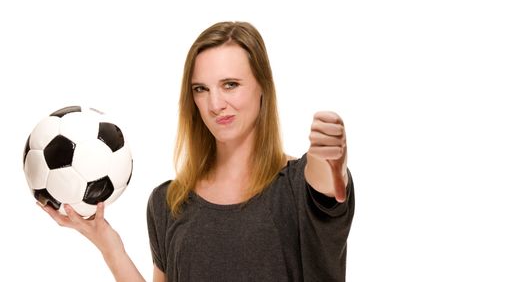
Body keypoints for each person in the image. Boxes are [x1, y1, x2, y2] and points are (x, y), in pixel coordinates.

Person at [41, 21, 355, 281]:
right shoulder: (169, 202)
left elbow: (326, 179)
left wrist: (332, 159)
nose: (215, 104)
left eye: (230, 84)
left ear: (263, 87)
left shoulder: (299, 186)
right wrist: (109, 246)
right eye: (201, 89)